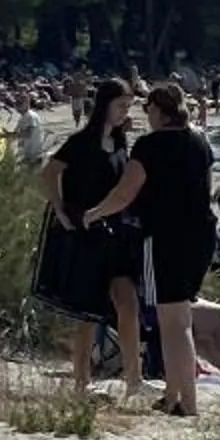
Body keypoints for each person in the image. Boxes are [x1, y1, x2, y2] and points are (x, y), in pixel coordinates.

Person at [82, 81, 215, 417]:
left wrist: (95, 213)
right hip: (201, 236)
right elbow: (207, 190)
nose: (147, 115)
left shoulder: (150, 145)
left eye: (148, 109)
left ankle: (187, 402)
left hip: (165, 237)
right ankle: (172, 394)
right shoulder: (200, 140)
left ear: (158, 110)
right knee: (180, 315)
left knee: (173, 323)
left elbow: (124, 193)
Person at [36, 77, 147, 400]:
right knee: (86, 313)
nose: (125, 112)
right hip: (86, 233)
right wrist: (59, 211)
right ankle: (81, 381)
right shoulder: (81, 141)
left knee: (128, 303)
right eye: (121, 105)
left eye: (128, 106)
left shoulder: (121, 142)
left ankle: (134, 379)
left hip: (117, 234)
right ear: (105, 105)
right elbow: (49, 173)